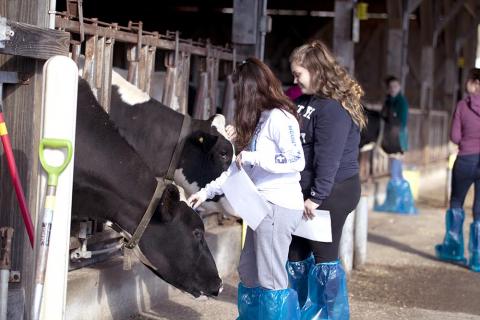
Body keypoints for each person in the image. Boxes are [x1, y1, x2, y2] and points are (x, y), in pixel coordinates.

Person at [187, 57, 306, 319]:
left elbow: (297, 160)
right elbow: (238, 171)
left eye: (239, 91)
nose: (237, 98)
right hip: (259, 206)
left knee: (271, 276)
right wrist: (205, 192)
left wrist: (255, 158)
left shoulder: (280, 117)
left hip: (278, 205)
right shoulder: (259, 120)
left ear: (251, 89)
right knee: (250, 270)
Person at [286, 40, 365, 320]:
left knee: (323, 258)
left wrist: (317, 197)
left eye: (299, 74)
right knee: (295, 254)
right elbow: (284, 95)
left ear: (317, 71)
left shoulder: (332, 108)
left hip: (331, 192)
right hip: (307, 192)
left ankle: (330, 315)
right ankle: (300, 312)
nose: (294, 80)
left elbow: (328, 157)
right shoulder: (304, 97)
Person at [435, 68, 480, 272]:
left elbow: (454, 137)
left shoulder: (463, 105)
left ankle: (454, 250)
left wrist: (467, 141)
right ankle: (477, 258)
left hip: (465, 160)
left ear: (472, 83)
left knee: (456, 203)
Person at [373, 75, 417, 214]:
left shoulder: (401, 102)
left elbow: (401, 123)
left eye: (395, 86)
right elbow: (383, 115)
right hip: (390, 137)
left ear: (399, 87)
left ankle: (399, 204)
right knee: (396, 171)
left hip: (397, 139)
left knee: (395, 172)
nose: (393, 89)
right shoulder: (389, 100)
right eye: (391, 87)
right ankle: (398, 203)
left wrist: (390, 116)